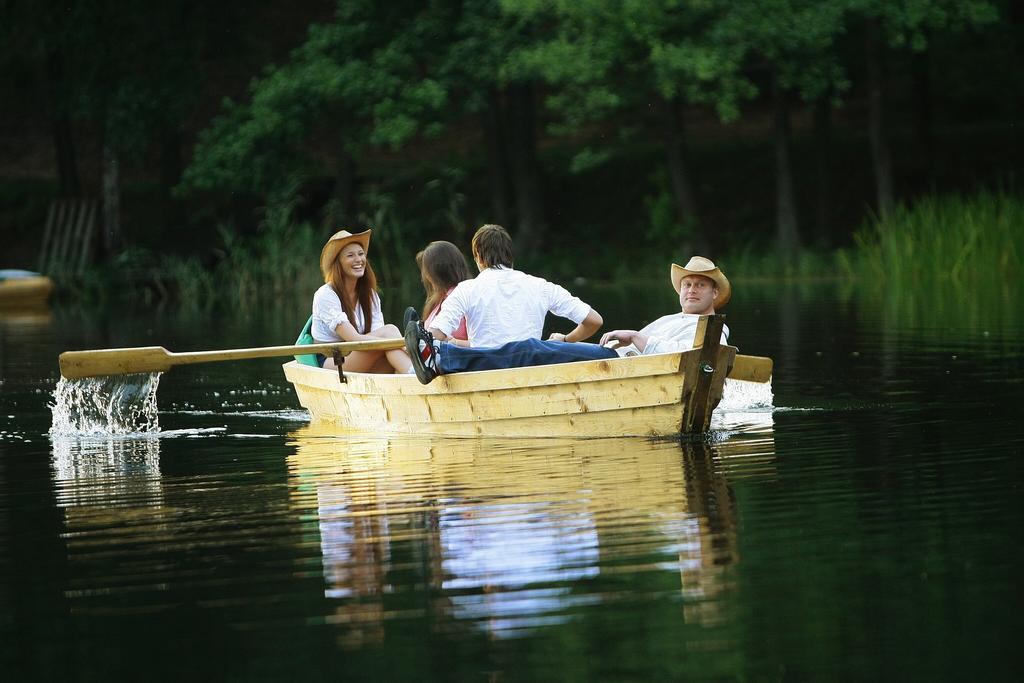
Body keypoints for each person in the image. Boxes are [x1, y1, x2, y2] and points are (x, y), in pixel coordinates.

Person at [404, 224, 616, 384]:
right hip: (532, 369)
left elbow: (436, 335)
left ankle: (435, 359)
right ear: (510, 256)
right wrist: (567, 339)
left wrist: (431, 342)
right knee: (599, 353)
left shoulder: (467, 289)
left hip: (485, 373)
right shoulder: (539, 285)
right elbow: (594, 321)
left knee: (440, 349)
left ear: (478, 256)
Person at [312, 228, 414, 374]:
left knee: (392, 352)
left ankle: (412, 373)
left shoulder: (370, 294)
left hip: (361, 354)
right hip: (334, 361)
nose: (358, 260)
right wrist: (405, 345)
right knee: (390, 332)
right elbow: (354, 339)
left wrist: (398, 345)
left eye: (361, 254)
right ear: (338, 263)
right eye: (350, 255)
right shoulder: (325, 295)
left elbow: (378, 334)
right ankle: (414, 373)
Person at [599, 256, 731, 355]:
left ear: (714, 293)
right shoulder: (668, 319)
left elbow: (684, 357)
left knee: (577, 352)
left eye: (700, 285)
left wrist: (635, 336)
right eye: (687, 285)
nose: (691, 290)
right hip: (611, 362)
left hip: (623, 372)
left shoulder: (712, 329)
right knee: (578, 348)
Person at [415, 240, 471, 346]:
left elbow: (482, 344)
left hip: (458, 359)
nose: (424, 279)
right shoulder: (438, 301)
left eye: (427, 273)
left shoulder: (467, 297)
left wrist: (453, 342)